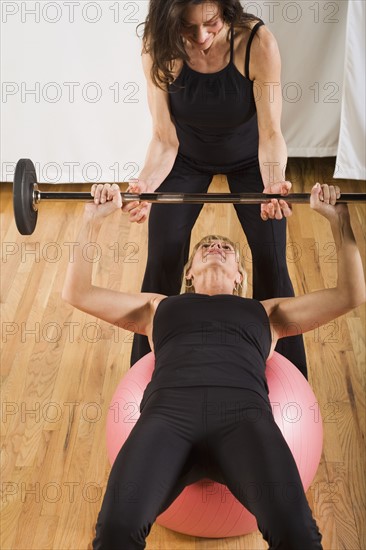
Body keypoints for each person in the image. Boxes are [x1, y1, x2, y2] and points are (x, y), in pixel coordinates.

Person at [62, 182, 365, 550]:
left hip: (244, 420)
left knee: (299, 535)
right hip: (166, 418)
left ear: (240, 277)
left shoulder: (268, 312)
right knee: (114, 531)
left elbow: (350, 294)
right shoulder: (156, 307)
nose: (216, 247)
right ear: (188, 272)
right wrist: (91, 221)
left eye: (227, 248)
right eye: (206, 246)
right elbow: (77, 293)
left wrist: (340, 222)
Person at [122, 0, 308, 376]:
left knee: (272, 260)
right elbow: (164, 137)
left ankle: (289, 380)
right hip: (186, 157)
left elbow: (271, 133)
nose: (202, 37)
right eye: (188, 30)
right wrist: (146, 184)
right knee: (162, 256)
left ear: (227, 10)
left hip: (252, 159)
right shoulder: (159, 47)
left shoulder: (258, 44)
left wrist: (273, 182)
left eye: (211, 23)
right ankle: (144, 374)